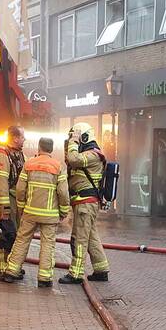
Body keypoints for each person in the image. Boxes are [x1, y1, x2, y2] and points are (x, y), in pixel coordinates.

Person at [1, 137, 70, 288]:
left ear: (39, 148)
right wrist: (64, 211)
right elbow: (63, 193)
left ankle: (11, 272)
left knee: (21, 241)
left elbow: (20, 189)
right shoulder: (58, 167)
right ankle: (44, 279)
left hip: (30, 212)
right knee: (48, 245)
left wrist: (21, 207)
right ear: (51, 149)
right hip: (50, 215)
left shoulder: (29, 164)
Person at [59, 122, 110, 285]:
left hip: (85, 203)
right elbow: (70, 162)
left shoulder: (93, 155)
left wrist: (73, 142)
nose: (73, 140)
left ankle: (76, 273)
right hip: (83, 203)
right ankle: (101, 269)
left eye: (76, 137)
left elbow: (74, 160)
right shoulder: (87, 154)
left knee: (79, 238)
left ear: (84, 137)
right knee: (91, 237)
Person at [0, 125, 27, 280]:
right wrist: (5, 208)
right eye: (23, 137)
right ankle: (3, 269)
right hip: (5, 200)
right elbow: (0, 182)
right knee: (4, 233)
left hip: (14, 199)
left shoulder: (16, 153)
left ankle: (11, 266)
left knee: (14, 233)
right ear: (15, 137)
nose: (25, 139)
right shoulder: (1, 154)